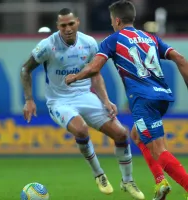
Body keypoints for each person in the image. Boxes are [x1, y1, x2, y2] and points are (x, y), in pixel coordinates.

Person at [65, 1, 188, 200]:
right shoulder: (150, 37)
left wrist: (75, 77)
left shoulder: (113, 39)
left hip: (143, 100)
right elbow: (180, 59)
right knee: (137, 136)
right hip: (162, 96)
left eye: (113, 21)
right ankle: (160, 182)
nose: (112, 25)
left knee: (158, 150)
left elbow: (95, 67)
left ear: (117, 20)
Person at [20, 8, 145, 200]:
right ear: (57, 27)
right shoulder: (47, 45)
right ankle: (99, 174)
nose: (68, 28)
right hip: (59, 101)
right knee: (81, 130)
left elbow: (95, 74)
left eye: (71, 24)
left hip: (86, 96)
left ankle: (127, 180)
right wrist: (29, 100)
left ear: (77, 22)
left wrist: (105, 100)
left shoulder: (88, 43)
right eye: (63, 25)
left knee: (121, 134)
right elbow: (25, 69)